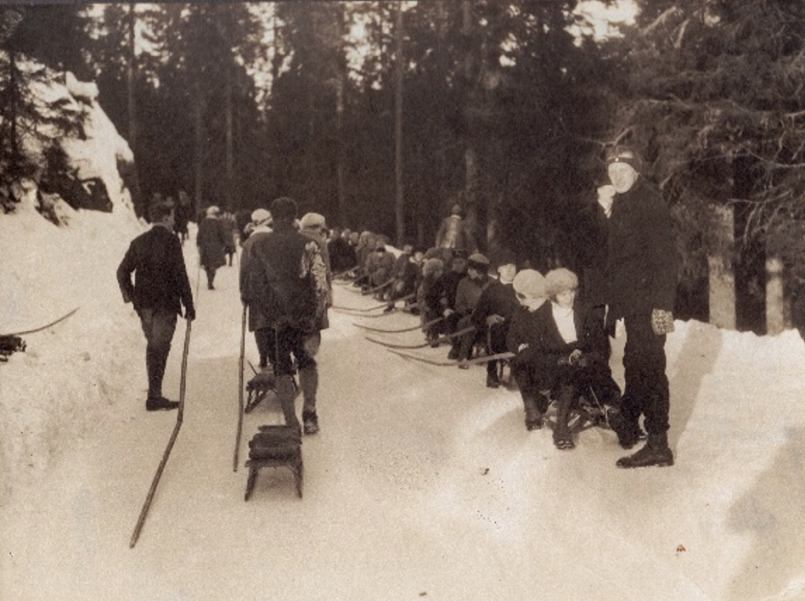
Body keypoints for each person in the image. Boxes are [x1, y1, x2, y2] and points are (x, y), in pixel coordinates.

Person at [603, 145, 678, 468]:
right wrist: (614, 307)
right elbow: (621, 262)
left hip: (651, 303)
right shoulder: (621, 203)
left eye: (623, 171)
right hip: (632, 302)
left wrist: (662, 306)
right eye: (612, 172)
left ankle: (658, 442)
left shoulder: (649, 202)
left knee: (649, 368)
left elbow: (666, 259)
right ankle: (629, 419)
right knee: (635, 361)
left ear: (636, 172)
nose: (617, 177)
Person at [244, 197, 328, 435]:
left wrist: (271, 313)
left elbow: (256, 287)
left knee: (281, 368)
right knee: (307, 363)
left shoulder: (260, 246)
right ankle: (310, 413)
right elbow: (320, 284)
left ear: (273, 216)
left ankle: (291, 421)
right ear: (294, 217)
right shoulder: (309, 244)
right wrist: (316, 317)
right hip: (305, 317)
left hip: (276, 320)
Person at [526, 268, 621, 449]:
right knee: (569, 375)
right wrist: (559, 360)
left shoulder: (584, 312)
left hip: (582, 363)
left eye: (571, 293)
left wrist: (584, 355)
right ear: (553, 296)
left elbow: (598, 346)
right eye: (563, 294)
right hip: (553, 368)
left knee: (597, 374)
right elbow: (537, 352)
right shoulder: (542, 316)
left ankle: (617, 417)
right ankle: (561, 428)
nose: (568, 298)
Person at [117, 201, 195, 411]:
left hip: (145, 308)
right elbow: (180, 275)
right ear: (166, 218)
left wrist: (133, 298)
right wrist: (189, 305)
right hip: (165, 305)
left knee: (154, 346)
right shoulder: (171, 242)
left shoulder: (138, 242)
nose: (174, 221)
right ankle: (154, 397)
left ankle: (155, 394)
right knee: (158, 348)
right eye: (172, 217)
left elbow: (122, 272)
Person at [506, 269, 550, 430]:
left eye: (520, 295)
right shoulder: (521, 312)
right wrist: (519, 346)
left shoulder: (551, 310)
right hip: (528, 359)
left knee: (523, 362)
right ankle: (531, 408)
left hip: (550, 359)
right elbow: (511, 337)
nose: (518, 299)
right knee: (519, 363)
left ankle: (537, 401)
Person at [470, 256, 519, 388]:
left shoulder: (522, 288)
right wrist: (487, 319)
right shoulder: (491, 290)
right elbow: (476, 317)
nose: (509, 270)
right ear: (499, 269)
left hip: (520, 331)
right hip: (499, 333)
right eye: (505, 266)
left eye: (512, 266)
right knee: (496, 330)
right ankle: (491, 373)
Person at [239, 208, 273, 370]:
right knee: (275, 322)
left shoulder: (249, 242)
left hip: (255, 288)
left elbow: (244, 269)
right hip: (275, 288)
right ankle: (277, 357)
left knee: (259, 324)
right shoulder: (276, 238)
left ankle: (263, 357)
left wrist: (243, 290)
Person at [451, 253, 492, 363]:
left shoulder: (492, 284)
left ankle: (465, 352)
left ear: (480, 270)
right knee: (469, 322)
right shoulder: (464, 283)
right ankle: (463, 353)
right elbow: (458, 304)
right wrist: (468, 311)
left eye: (471, 269)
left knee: (470, 322)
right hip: (470, 315)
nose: (468, 271)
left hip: (489, 316)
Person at [299, 212, 333, 328]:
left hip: (298, 287)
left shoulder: (296, 238)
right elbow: (326, 268)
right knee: (315, 323)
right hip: (316, 286)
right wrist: (329, 294)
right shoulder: (320, 241)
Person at [197, 205, 228, 289]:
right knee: (213, 264)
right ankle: (211, 281)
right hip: (216, 246)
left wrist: (198, 244)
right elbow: (222, 234)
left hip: (205, 246)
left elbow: (199, 234)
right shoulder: (218, 222)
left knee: (207, 264)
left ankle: (209, 280)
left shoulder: (203, 222)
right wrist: (224, 243)